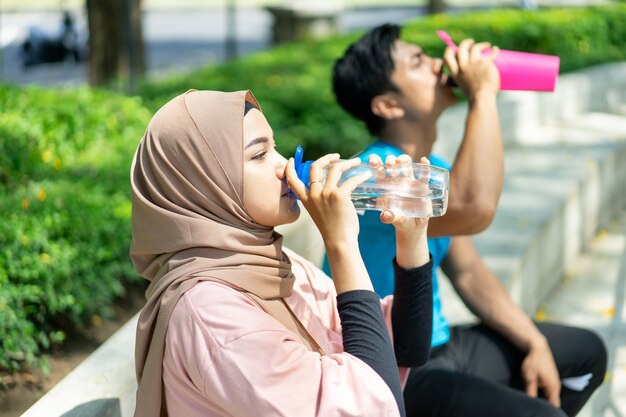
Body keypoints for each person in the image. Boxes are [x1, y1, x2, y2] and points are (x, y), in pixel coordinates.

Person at [327, 23, 607, 417]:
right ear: (389, 105)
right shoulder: (372, 178)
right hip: (397, 368)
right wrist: (483, 94)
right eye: (419, 62)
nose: (440, 64)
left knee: (583, 353)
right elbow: (474, 208)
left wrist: (533, 341)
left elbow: (470, 272)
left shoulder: (434, 169)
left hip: (442, 346)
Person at [130, 89, 436, 417]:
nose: (285, 166)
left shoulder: (275, 265)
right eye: (259, 154)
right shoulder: (210, 313)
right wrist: (342, 244)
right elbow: (376, 406)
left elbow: (404, 349)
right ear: (203, 183)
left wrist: (412, 236)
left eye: (274, 147)